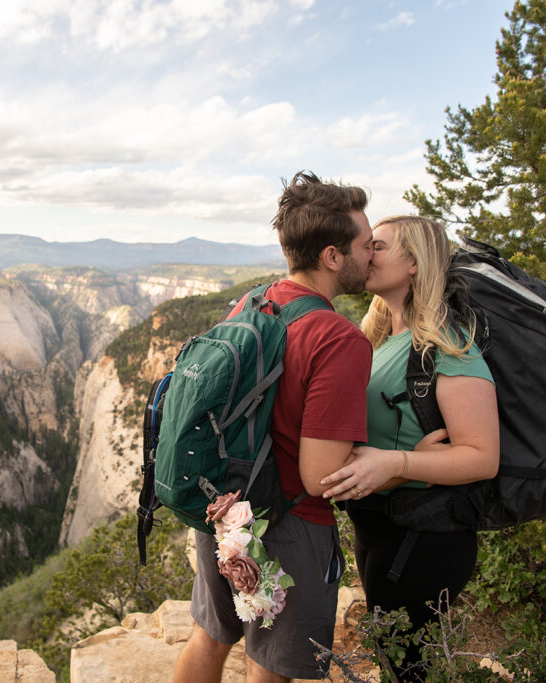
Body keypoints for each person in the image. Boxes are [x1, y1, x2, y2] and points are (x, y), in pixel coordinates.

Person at [173, 171, 374, 683]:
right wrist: (396, 464)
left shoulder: (252, 302)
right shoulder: (339, 338)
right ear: (333, 256)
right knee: (270, 666)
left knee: (212, 635)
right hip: (290, 525)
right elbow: (318, 476)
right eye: (365, 245)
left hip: (226, 509)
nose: (371, 255)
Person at [319, 215, 500, 681]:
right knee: (397, 659)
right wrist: (407, 459)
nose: (365, 253)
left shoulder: (447, 344)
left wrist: (400, 461)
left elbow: (483, 455)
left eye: (377, 245)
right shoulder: (380, 338)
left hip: (423, 537)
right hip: (380, 526)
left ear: (416, 264)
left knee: (405, 666)